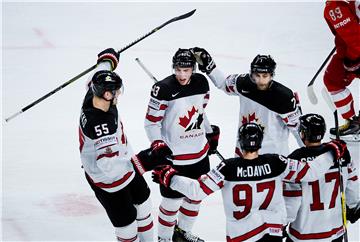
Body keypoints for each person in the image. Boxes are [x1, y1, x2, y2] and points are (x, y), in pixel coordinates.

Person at [152, 122, 346, 242]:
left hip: (241, 235)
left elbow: (196, 191)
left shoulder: (227, 168)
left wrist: (170, 176)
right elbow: (310, 172)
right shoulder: (277, 162)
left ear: (240, 141)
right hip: (272, 233)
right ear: (260, 142)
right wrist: (330, 152)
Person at [79, 48, 169, 241]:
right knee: (127, 227)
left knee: (144, 204)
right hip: (107, 180)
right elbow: (109, 167)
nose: (118, 94)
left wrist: (107, 60)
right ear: (107, 95)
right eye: (115, 91)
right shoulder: (101, 126)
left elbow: (98, 73)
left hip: (125, 167)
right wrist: (144, 161)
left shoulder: (92, 94)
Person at [144, 48, 220, 242]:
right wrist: (157, 144)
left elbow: (198, 112)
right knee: (171, 203)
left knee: (195, 198)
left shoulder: (202, 83)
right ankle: (164, 239)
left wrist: (210, 132)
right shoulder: (162, 89)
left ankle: (182, 233)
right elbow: (151, 122)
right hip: (174, 157)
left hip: (199, 154)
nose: (181, 74)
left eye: (186, 70)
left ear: (193, 69)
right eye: (178, 69)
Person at [190, 48, 303, 157]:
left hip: (273, 156)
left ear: (271, 75)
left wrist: (310, 153)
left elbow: (298, 129)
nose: (260, 80)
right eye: (257, 75)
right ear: (251, 74)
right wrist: (210, 67)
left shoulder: (284, 97)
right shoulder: (243, 83)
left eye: (265, 76)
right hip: (244, 151)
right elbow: (224, 84)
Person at [283, 113, 359, 242]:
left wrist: (282, 225)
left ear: (303, 134)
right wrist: (354, 206)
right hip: (335, 232)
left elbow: (291, 202)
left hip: (303, 234)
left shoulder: (295, 160)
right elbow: (352, 184)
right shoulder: (341, 155)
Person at [323, 0, 360, 141]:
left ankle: (354, 125)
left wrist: (353, 60)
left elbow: (356, 39)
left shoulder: (335, 5)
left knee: (333, 79)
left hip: (354, 50)